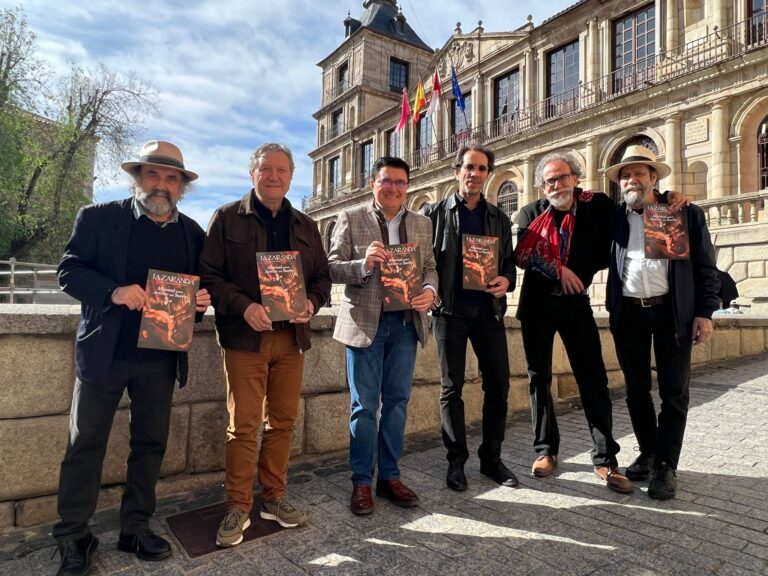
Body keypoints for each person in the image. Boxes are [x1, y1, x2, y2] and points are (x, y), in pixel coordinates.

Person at [53, 140, 210, 576]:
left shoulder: (193, 233)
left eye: (171, 177)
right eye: (153, 175)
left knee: (150, 445)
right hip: (104, 354)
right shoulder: (99, 218)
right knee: (84, 445)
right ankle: (73, 536)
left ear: (181, 186)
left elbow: (196, 293)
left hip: (160, 358)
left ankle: (134, 527)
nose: (161, 184)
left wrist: (199, 301)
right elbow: (68, 271)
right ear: (137, 178)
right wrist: (113, 292)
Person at [199, 143, 331, 547]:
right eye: (266, 169)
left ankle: (274, 498)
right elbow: (209, 276)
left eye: (282, 170)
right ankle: (237, 505)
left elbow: (322, 279)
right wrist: (244, 307)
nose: (274, 176)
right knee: (243, 426)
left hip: (291, 340)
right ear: (251, 173)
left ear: (292, 176)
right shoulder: (225, 218)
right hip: (245, 340)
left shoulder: (306, 225)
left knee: (283, 422)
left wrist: (310, 302)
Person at [514, 151, 634, 493]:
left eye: (563, 177)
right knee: (539, 379)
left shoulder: (595, 206)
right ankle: (545, 450)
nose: (557, 184)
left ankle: (605, 459)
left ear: (576, 178)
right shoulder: (530, 213)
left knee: (593, 378)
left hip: (575, 304)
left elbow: (630, 211)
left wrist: (669, 199)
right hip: (537, 305)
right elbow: (522, 254)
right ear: (542, 185)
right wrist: (557, 269)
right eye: (550, 180)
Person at [605, 145, 720, 500]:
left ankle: (667, 466)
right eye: (625, 174)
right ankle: (650, 451)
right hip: (629, 312)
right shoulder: (614, 218)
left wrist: (705, 311)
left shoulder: (682, 213)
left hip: (672, 311)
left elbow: (706, 266)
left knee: (674, 393)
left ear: (654, 178)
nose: (631, 179)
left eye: (640, 173)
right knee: (636, 390)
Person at [328, 156, 438, 515]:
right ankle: (361, 481)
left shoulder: (422, 222)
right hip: (366, 325)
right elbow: (330, 267)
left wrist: (429, 291)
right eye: (386, 181)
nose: (393, 188)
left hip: (406, 324)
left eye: (400, 182)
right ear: (372, 183)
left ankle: (389, 477)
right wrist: (363, 265)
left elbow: (431, 268)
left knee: (397, 403)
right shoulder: (351, 218)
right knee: (363, 407)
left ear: (409, 186)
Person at [421, 143, 517, 491]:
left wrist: (506, 280)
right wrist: (429, 292)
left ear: (488, 174)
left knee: (500, 385)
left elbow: (509, 264)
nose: (474, 174)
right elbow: (422, 262)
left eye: (481, 168)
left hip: (487, 312)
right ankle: (456, 460)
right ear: (456, 171)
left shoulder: (499, 218)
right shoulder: (434, 213)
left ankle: (491, 459)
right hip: (450, 313)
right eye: (468, 167)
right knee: (451, 388)